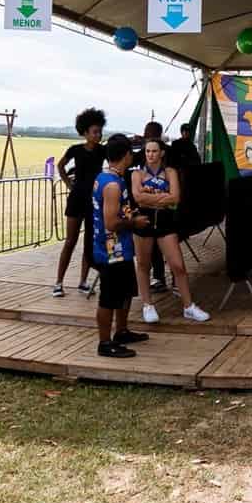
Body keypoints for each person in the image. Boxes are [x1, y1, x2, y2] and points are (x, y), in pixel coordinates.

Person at [130, 137, 211, 324]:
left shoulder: (170, 172)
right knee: (143, 264)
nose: (150, 155)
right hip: (144, 221)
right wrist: (162, 198)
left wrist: (151, 198)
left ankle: (188, 306)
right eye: (147, 151)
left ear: (162, 153)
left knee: (178, 265)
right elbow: (138, 199)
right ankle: (148, 305)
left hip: (166, 222)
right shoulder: (137, 174)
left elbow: (175, 198)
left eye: (154, 151)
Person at [93, 133, 153, 358]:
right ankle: (104, 342)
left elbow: (119, 211)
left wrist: (131, 213)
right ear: (126, 155)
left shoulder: (112, 177)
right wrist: (134, 222)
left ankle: (122, 331)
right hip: (111, 250)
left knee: (125, 292)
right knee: (109, 297)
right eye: (131, 153)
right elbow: (110, 222)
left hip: (121, 247)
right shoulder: (111, 185)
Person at [54, 108, 106, 297]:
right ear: (85, 133)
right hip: (76, 199)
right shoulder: (75, 150)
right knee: (70, 241)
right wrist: (68, 184)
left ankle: (83, 281)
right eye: (95, 132)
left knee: (89, 242)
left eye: (100, 132)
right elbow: (60, 165)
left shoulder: (103, 150)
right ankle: (58, 282)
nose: (98, 135)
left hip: (94, 201)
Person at [132, 121, 170, 292]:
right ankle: (160, 278)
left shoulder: (158, 154)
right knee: (154, 249)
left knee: (153, 249)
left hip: (156, 207)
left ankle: (159, 278)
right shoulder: (146, 153)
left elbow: (173, 195)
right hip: (153, 205)